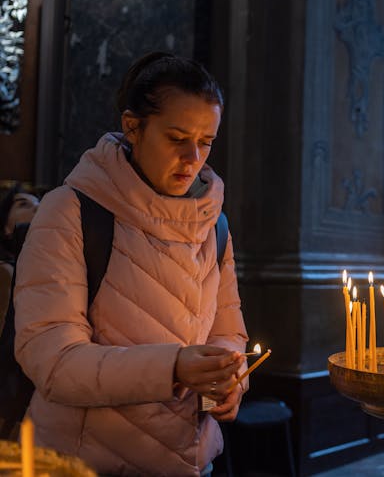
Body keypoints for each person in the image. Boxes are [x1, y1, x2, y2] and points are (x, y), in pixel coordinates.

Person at [13, 52, 248, 476]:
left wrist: (226, 380)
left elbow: (226, 332)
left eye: (206, 140)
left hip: (188, 461)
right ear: (132, 127)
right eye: (177, 137)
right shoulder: (71, 212)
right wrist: (173, 366)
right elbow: (51, 358)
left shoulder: (213, 223)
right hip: (79, 462)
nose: (194, 156)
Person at [0, 182, 39, 335]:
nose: (38, 207)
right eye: (24, 205)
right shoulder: (5, 271)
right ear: (5, 227)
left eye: (40, 203)